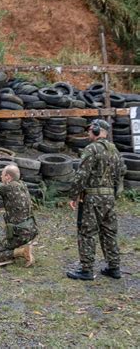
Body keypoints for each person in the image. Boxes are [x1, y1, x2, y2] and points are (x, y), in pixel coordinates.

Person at [67, 119, 126, 281]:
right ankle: (114, 267)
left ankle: (86, 269)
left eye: (90, 130)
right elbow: (122, 171)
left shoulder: (91, 149)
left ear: (97, 130)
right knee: (109, 232)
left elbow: (82, 174)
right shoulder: (114, 150)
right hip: (109, 198)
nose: (88, 133)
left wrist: (74, 195)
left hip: (93, 198)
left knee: (87, 232)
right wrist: (114, 192)